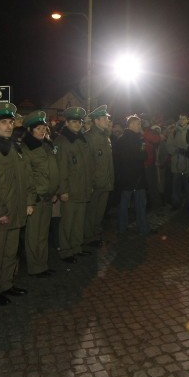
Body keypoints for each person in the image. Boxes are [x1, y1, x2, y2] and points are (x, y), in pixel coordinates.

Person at [0, 102, 32, 305]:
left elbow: (25, 178)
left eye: (11, 122)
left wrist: (28, 201)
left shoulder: (13, 147)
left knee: (11, 252)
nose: (9, 126)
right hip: (0, 213)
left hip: (16, 209)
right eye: (3, 122)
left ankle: (6, 284)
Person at [21, 111, 59, 278]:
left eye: (44, 127)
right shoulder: (26, 149)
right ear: (30, 129)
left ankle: (42, 264)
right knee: (34, 236)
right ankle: (35, 267)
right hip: (36, 198)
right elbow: (27, 176)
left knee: (43, 234)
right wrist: (32, 198)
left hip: (48, 196)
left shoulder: (46, 145)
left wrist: (54, 191)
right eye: (39, 128)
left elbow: (52, 171)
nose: (43, 130)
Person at [54, 106, 93, 264]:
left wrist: (89, 184)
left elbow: (88, 166)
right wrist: (63, 190)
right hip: (70, 189)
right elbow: (61, 168)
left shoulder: (82, 138)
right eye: (74, 122)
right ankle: (65, 250)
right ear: (67, 122)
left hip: (82, 187)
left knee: (79, 221)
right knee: (68, 222)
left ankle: (76, 247)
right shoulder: (62, 141)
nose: (78, 124)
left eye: (79, 122)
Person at [114, 115, 152, 235]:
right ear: (130, 125)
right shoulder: (137, 139)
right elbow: (142, 156)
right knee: (140, 205)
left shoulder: (120, 139)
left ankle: (122, 228)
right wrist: (143, 153)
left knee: (124, 204)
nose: (139, 126)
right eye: (137, 124)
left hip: (125, 177)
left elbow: (117, 159)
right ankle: (143, 229)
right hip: (137, 177)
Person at [83, 105, 114, 248]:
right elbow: (88, 163)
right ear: (96, 121)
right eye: (104, 118)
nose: (107, 120)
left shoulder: (106, 136)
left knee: (99, 213)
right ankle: (89, 238)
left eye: (107, 118)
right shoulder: (89, 137)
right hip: (95, 183)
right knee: (91, 213)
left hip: (105, 181)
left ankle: (96, 235)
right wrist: (90, 183)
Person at [166, 113, 189, 210]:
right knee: (176, 186)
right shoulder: (173, 131)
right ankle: (176, 203)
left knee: (188, 186)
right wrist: (175, 150)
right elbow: (168, 145)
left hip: (188, 162)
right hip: (176, 163)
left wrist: (187, 150)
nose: (181, 120)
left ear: (188, 120)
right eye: (180, 118)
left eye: (183, 118)